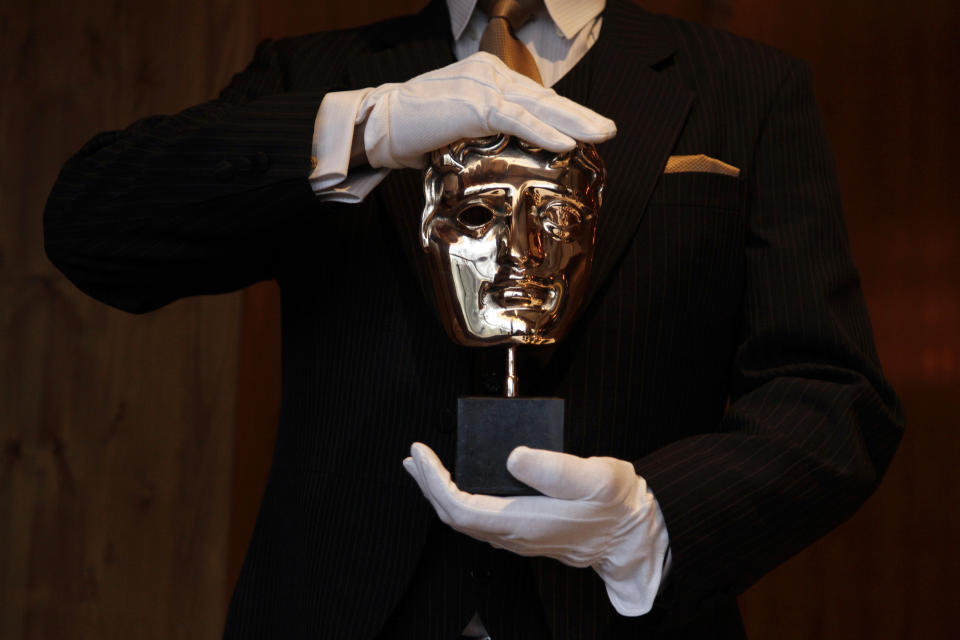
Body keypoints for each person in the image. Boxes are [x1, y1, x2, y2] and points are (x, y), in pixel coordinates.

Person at [43, 0, 904, 638]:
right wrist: (362, 128)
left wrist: (659, 515)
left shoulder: (748, 89)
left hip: (621, 620)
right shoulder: (314, 75)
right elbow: (96, 229)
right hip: (338, 609)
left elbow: (830, 393)